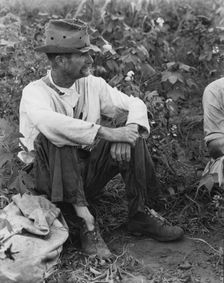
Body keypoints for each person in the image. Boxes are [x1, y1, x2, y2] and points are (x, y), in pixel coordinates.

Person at [19, 18, 184, 258]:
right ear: (60, 61)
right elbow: (48, 123)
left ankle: (139, 214)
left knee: (132, 133)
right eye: (83, 54)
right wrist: (106, 132)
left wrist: (127, 132)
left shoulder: (91, 84)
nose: (90, 60)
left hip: (84, 177)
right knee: (54, 137)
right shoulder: (35, 92)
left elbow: (133, 104)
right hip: (47, 183)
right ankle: (87, 223)